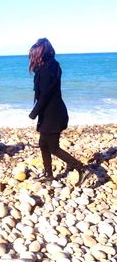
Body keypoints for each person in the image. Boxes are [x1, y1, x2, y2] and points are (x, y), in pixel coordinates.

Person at [28, 38, 90, 185]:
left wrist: (34, 113)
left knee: (53, 147)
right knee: (43, 144)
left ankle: (81, 168)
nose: (32, 58)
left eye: (34, 55)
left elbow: (46, 95)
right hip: (50, 112)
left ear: (42, 54)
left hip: (53, 114)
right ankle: (48, 174)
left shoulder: (48, 70)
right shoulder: (51, 66)